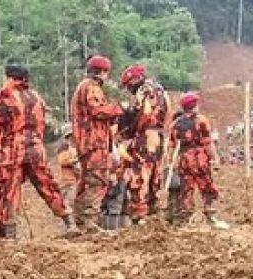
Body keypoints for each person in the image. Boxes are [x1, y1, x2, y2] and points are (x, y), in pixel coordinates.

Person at [0, 64, 78, 237]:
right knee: (47, 185)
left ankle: (10, 233)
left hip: (14, 148)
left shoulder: (7, 97)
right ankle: (69, 222)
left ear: (10, 78)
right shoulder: (37, 97)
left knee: (9, 189)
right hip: (37, 146)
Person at [70, 55, 123, 229]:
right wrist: (118, 109)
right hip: (94, 142)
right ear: (102, 72)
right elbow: (97, 111)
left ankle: (79, 221)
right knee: (98, 180)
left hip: (87, 142)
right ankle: (89, 221)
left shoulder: (83, 87)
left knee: (86, 181)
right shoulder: (91, 87)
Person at [119, 64, 169, 223]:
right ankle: (153, 213)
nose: (129, 89)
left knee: (139, 175)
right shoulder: (161, 91)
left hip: (145, 138)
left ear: (135, 79)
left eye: (129, 85)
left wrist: (128, 125)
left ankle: (139, 214)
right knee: (156, 175)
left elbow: (144, 114)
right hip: (159, 137)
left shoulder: (145, 91)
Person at [171, 93, 226, 228]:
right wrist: (215, 158)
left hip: (184, 159)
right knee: (207, 185)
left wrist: (171, 162)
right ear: (195, 105)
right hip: (199, 157)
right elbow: (208, 142)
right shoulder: (201, 121)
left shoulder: (176, 123)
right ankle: (210, 216)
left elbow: (172, 145)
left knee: (187, 188)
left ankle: (186, 218)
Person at [56, 124, 80, 209]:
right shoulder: (64, 147)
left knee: (72, 203)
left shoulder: (75, 147)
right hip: (66, 181)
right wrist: (74, 161)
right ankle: (67, 222)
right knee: (67, 203)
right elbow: (62, 161)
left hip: (75, 180)